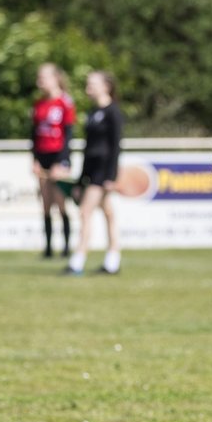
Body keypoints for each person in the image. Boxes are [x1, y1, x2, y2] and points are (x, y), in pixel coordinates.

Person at [64, 71, 125, 276]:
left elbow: (115, 146)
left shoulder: (113, 112)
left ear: (106, 86)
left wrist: (111, 176)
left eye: (92, 84)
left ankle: (77, 261)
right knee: (108, 213)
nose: (88, 87)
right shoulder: (92, 113)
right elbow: (89, 148)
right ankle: (112, 260)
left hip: (103, 172)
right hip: (92, 170)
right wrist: (81, 179)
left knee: (85, 211)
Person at [31, 63, 75, 259]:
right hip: (43, 158)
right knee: (46, 204)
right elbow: (34, 134)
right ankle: (48, 249)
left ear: (56, 78)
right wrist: (35, 159)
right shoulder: (38, 104)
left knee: (61, 203)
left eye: (44, 77)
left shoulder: (65, 102)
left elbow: (68, 134)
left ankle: (66, 248)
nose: (40, 82)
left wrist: (63, 161)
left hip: (59, 158)